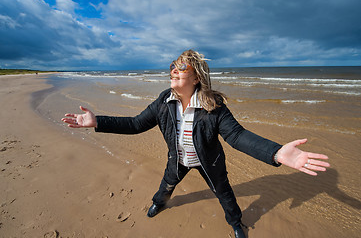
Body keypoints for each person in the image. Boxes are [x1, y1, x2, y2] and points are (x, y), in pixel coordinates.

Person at [62, 50, 330, 238]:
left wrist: (277, 152)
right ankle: (160, 203)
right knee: (166, 185)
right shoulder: (163, 101)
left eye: (181, 73)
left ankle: (236, 223)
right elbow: (135, 124)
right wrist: (98, 122)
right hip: (177, 159)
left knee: (224, 193)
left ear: (196, 78)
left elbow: (236, 136)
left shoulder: (213, 107)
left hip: (209, 162)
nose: (174, 76)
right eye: (172, 73)